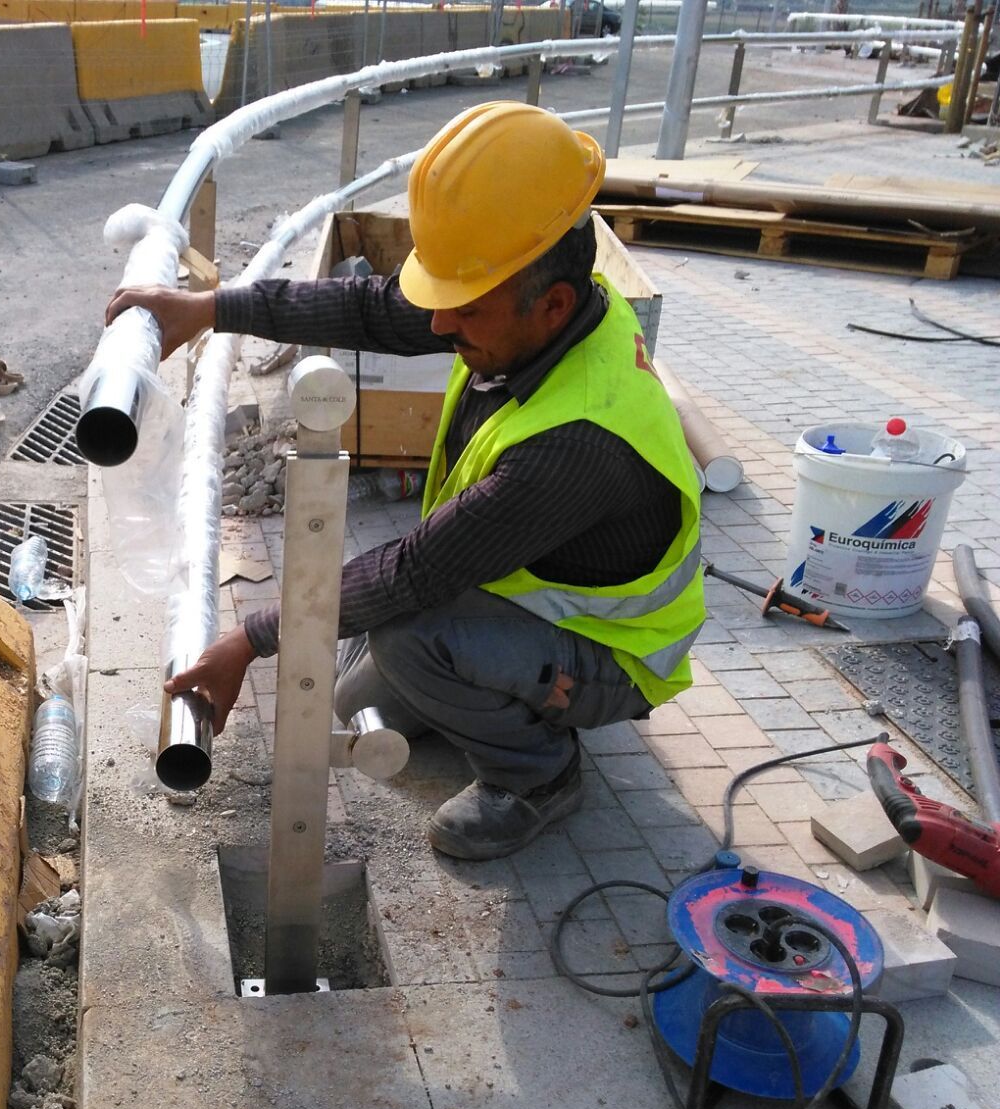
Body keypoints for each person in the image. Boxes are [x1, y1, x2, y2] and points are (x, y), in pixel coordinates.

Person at [105, 102, 705, 861]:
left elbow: (419, 571)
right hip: (525, 589)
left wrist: (250, 639)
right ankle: (478, 691)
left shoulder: (575, 443)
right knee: (362, 689)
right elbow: (373, 308)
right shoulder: (536, 302)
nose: (444, 329)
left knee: (405, 632)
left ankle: (539, 775)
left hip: (613, 651)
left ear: (550, 304)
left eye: (466, 314)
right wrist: (212, 308)